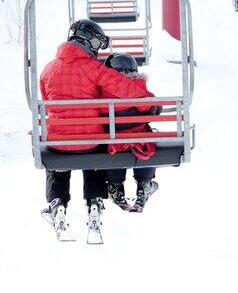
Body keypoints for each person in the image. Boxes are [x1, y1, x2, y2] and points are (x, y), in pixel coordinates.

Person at [39, 19, 153, 241]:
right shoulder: (95, 69)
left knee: (58, 162)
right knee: (94, 155)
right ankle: (94, 203)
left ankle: (57, 204)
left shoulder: (47, 69)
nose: (96, 49)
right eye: (95, 43)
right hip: (90, 142)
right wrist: (148, 102)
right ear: (85, 40)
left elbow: (46, 103)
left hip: (58, 143)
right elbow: (127, 90)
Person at [102, 53, 160, 213]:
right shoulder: (139, 88)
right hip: (140, 142)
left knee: (112, 141)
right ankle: (144, 184)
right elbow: (154, 109)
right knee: (146, 138)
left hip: (113, 143)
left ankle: (115, 186)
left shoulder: (103, 90)